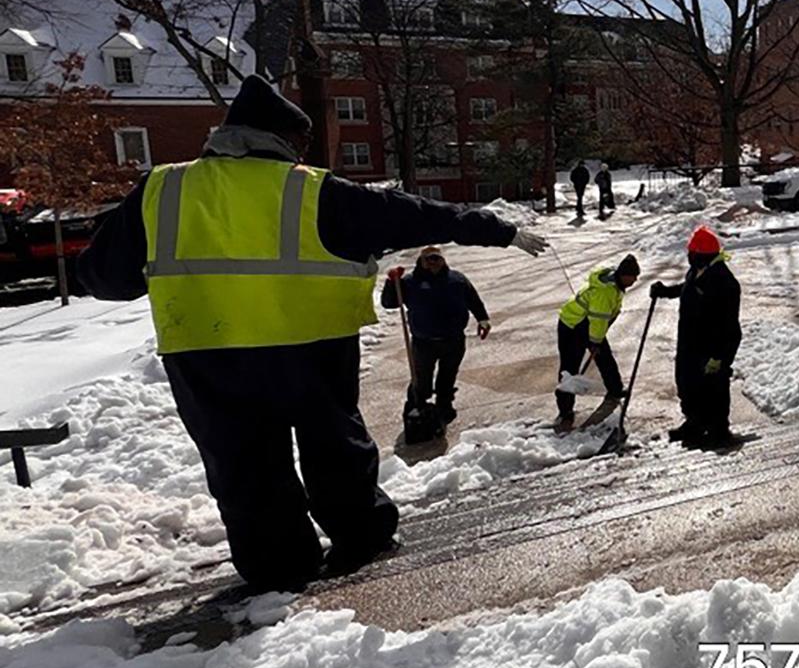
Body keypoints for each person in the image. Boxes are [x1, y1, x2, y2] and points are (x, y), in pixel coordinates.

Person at [76, 76, 548, 591]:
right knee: (333, 447)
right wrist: (497, 229)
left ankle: (279, 572)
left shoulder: (162, 189)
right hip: (310, 349)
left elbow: (104, 277)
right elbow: (414, 215)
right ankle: (361, 537)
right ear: (283, 140)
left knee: (244, 465)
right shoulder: (313, 190)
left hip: (205, 355)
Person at [650, 226, 742, 447]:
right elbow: (688, 287)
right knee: (687, 382)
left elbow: (729, 325)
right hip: (691, 341)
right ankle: (695, 422)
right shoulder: (699, 270)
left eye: (692, 253)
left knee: (714, 386)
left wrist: (719, 356)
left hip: (713, 345)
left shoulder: (724, 282)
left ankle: (719, 429)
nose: (688, 257)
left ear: (703, 255)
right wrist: (666, 291)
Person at [381, 246, 489, 428]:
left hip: (453, 340)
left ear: (443, 260)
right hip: (423, 342)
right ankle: (416, 410)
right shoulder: (409, 282)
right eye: (428, 259)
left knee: (448, 377)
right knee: (421, 380)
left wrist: (483, 319)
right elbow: (390, 303)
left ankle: (444, 406)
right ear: (421, 262)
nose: (433, 262)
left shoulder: (457, 280)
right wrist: (392, 283)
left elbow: (473, 300)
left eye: (436, 258)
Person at [554, 252, 641, 431]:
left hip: (587, 323)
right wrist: (595, 342)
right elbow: (598, 319)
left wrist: (596, 342)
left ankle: (615, 389)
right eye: (632, 277)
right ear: (623, 275)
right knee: (570, 367)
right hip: (573, 325)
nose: (634, 281)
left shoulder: (615, 284)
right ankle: (565, 410)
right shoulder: (606, 291)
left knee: (605, 357)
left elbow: (601, 320)